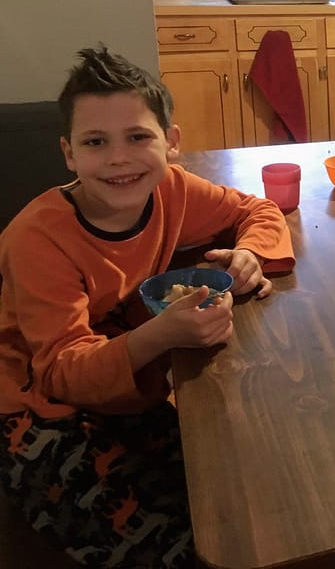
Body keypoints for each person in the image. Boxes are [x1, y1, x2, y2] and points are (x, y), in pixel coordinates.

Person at [0, 46, 296, 567]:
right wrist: (159, 337)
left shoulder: (174, 191)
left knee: (258, 495)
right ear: (69, 153)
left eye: (138, 137)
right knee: (185, 548)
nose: (118, 158)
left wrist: (250, 252)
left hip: (127, 390)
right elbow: (60, 372)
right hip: (34, 414)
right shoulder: (37, 237)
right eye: (96, 142)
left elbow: (258, 208)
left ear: (171, 143)